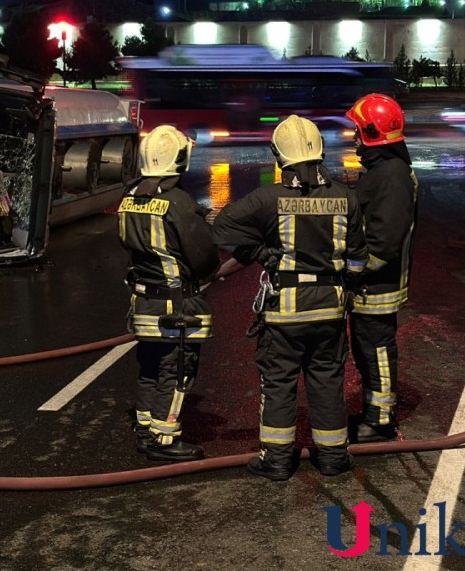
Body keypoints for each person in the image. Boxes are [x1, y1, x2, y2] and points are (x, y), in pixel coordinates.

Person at [213, 115, 367, 480]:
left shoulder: (268, 198)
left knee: (279, 383)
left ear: (278, 154)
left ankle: (277, 461)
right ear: (320, 150)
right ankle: (333, 457)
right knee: (327, 381)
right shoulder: (345, 197)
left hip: (283, 313)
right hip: (329, 311)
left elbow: (222, 227)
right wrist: (345, 281)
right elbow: (358, 259)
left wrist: (262, 253)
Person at [117, 125, 220, 462]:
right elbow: (205, 260)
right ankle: (164, 439)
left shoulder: (129, 198)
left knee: (149, 368)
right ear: (179, 159)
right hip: (176, 308)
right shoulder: (178, 203)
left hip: (144, 302)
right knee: (177, 372)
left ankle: (146, 429)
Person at [344, 93, 417, 443]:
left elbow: (384, 242)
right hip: (370, 284)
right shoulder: (385, 171)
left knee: (377, 351)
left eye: (358, 131)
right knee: (366, 350)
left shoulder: (392, 176)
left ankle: (381, 421)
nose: (354, 138)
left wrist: (353, 270)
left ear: (372, 133)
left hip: (377, 285)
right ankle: (374, 411)